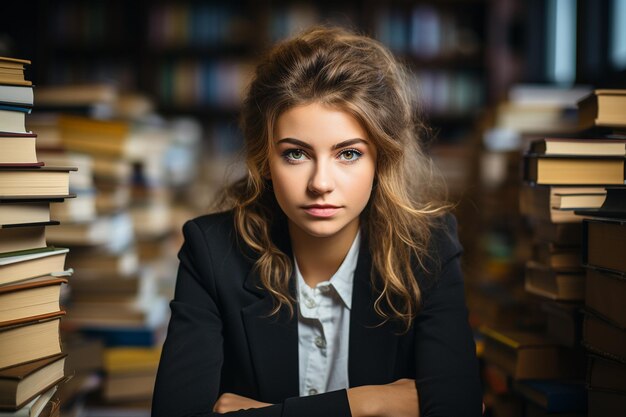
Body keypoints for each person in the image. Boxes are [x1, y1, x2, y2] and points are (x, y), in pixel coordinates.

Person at [152, 26, 483, 417]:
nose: (320, 184)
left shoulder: (429, 250)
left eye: (348, 154)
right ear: (264, 161)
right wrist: (366, 403)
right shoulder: (211, 251)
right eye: (296, 154)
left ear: (382, 158)